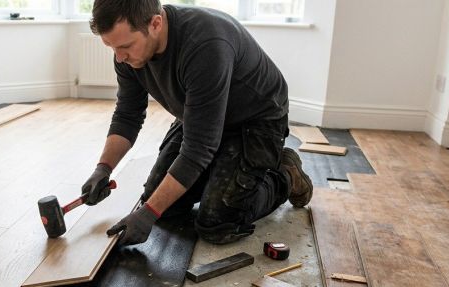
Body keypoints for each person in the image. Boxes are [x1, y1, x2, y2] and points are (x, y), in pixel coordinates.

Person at [81, 0, 313, 246]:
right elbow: (128, 114)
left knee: (217, 222)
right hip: (201, 117)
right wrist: (103, 168)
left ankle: (286, 174)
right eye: (111, 47)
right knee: (162, 206)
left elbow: (197, 149)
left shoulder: (205, 45)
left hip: (255, 121)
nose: (119, 57)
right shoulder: (127, 55)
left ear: (155, 23)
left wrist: (148, 213)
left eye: (125, 46)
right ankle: (223, 172)